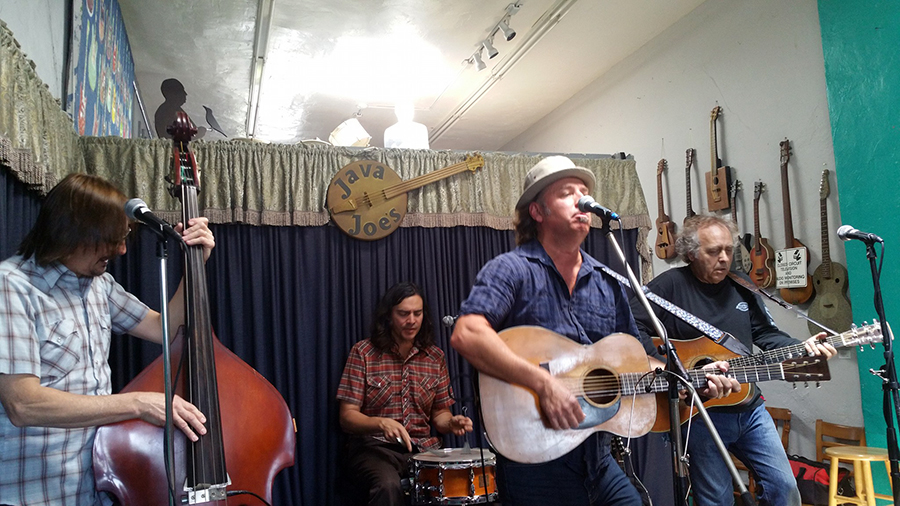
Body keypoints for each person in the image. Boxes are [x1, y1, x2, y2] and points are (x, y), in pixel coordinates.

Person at [450, 156, 740, 506]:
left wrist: (691, 381)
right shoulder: (511, 269)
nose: (583, 200)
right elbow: (467, 334)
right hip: (535, 459)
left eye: (584, 191)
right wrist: (543, 384)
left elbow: (640, 364)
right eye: (567, 193)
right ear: (537, 212)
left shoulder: (607, 281)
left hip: (598, 457)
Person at [0, 173, 215, 506]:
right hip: (34, 495)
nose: (122, 250)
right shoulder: (11, 286)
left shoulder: (99, 285)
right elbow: (23, 405)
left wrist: (195, 264)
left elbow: (165, 329)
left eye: (123, 237)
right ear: (74, 232)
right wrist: (138, 403)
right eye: (111, 240)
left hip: (95, 489)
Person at [629, 214, 836, 506]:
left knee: (785, 489)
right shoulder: (670, 285)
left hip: (749, 407)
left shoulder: (741, 284)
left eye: (728, 249)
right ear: (692, 253)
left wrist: (801, 347)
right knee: (717, 500)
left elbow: (765, 333)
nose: (724, 258)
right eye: (714, 251)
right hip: (700, 414)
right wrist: (671, 370)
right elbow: (630, 325)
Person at [337, 281, 473, 506]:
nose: (412, 320)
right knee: (388, 486)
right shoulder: (363, 353)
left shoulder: (435, 357)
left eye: (417, 313)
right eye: (403, 314)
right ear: (389, 316)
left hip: (424, 450)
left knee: (459, 482)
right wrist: (381, 423)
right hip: (374, 448)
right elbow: (347, 416)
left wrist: (451, 423)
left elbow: (440, 414)